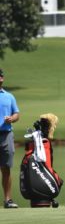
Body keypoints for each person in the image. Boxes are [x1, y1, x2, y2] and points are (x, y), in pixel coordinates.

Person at [0, 69, 20, 208]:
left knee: (6, 167)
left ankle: (8, 200)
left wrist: (11, 118)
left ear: (2, 78)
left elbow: (16, 114)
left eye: (0, 76)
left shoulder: (9, 96)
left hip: (6, 134)